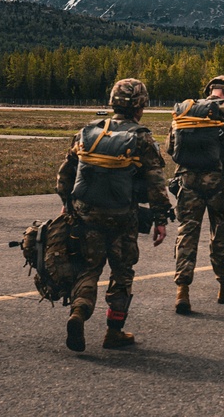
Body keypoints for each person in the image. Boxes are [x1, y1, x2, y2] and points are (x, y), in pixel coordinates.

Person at [56, 78, 170, 352]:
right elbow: (156, 183)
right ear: (140, 105)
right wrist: (161, 219)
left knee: (88, 267)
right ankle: (113, 332)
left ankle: (79, 312)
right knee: (122, 272)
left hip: (87, 214)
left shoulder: (88, 132)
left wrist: (67, 203)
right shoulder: (141, 138)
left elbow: (65, 175)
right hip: (122, 217)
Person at [168, 75, 224, 314]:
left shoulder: (187, 109)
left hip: (187, 181)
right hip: (219, 183)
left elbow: (170, 148)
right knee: (221, 234)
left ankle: (182, 290)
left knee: (187, 233)